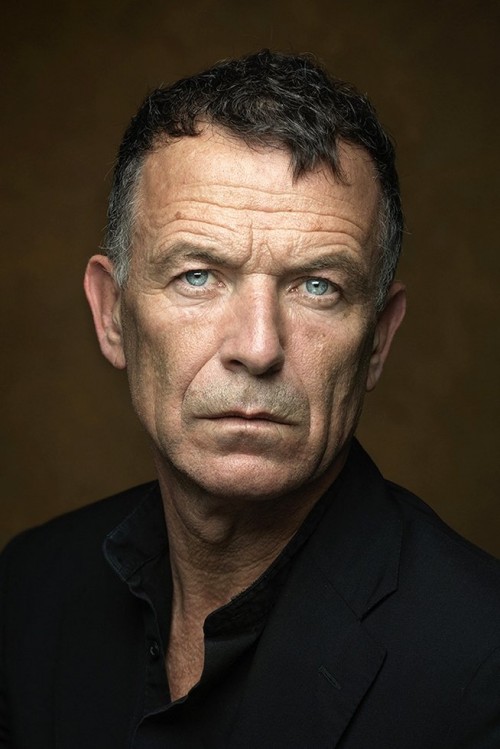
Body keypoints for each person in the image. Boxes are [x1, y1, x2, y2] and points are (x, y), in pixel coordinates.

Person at [1, 50, 499, 749]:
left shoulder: (482, 665)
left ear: (378, 340)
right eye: (198, 275)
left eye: (318, 286)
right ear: (112, 314)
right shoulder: (26, 593)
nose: (259, 347)